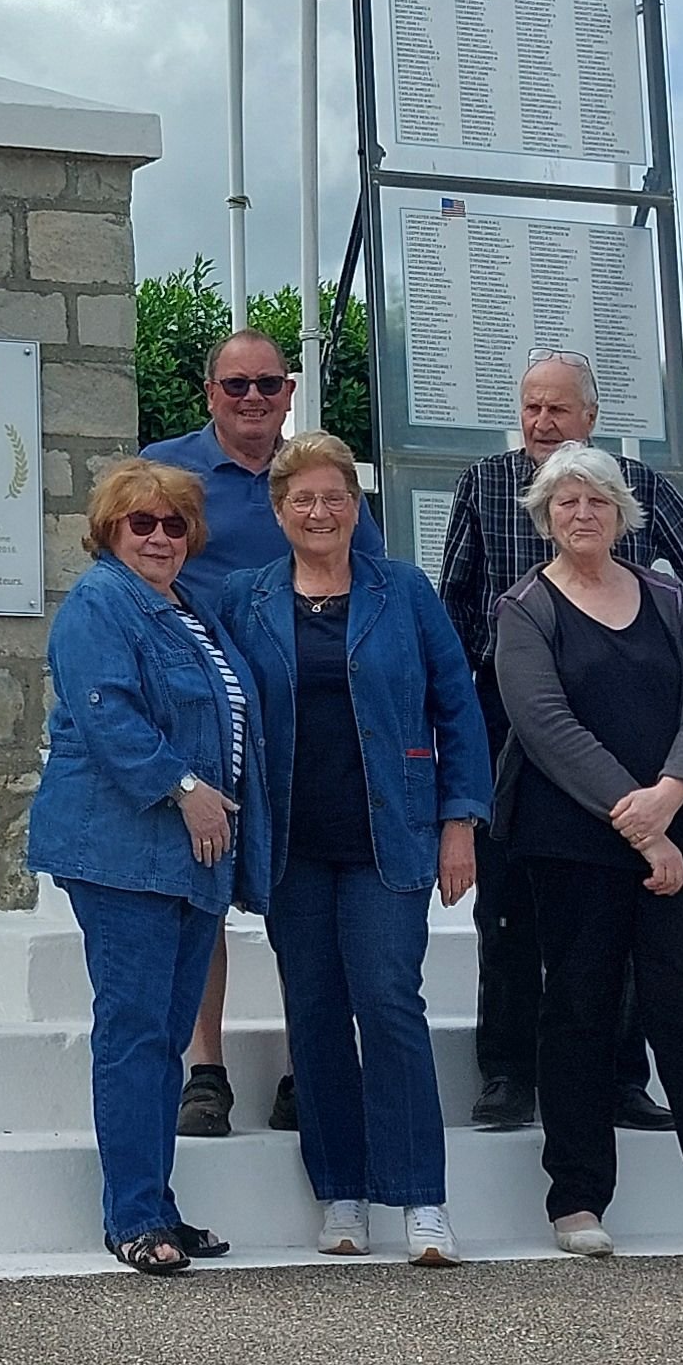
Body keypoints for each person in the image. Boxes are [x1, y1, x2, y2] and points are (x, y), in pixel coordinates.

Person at [489, 443, 683, 1262]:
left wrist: (670, 799)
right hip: (572, 845)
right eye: (566, 503)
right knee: (579, 1012)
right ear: (544, 518)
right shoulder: (525, 608)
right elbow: (545, 724)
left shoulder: (667, 597)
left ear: (622, 513)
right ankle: (578, 1199)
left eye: (596, 500)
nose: (583, 514)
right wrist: (642, 827)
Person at [433, 353, 683, 1133]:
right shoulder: (486, 482)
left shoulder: (633, 483)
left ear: (591, 417)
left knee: (631, 907)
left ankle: (623, 1076)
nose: (542, 423)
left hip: (631, 737)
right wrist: (498, 664)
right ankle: (506, 1072)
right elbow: (457, 593)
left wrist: (659, 647)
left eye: (558, 410)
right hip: (511, 730)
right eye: (531, 407)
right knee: (508, 908)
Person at [241, 431, 490, 1265]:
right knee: (312, 1013)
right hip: (293, 846)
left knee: (388, 1002)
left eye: (335, 497)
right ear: (278, 511)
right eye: (302, 499)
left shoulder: (404, 591)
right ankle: (340, 1193)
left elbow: (457, 706)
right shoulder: (247, 601)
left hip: (390, 837)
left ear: (358, 506)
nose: (320, 512)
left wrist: (460, 820)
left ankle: (421, 1197)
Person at [27, 457, 269, 1274]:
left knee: (165, 1034)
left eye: (175, 524)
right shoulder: (100, 604)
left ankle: (157, 1205)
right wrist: (186, 787)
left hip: (188, 856)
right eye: (143, 523)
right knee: (135, 1034)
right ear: (109, 530)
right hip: (124, 848)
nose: (161, 536)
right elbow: (109, 715)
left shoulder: (187, 606)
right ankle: (133, 1215)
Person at [140, 325, 298, 1138]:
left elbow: (364, 573)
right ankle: (207, 1073)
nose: (252, 400)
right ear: (210, 394)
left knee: (301, 900)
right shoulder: (166, 473)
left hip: (300, 723)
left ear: (289, 393)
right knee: (202, 901)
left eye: (267, 385)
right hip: (199, 717)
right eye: (235, 386)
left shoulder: (312, 479)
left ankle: (309, 1066)